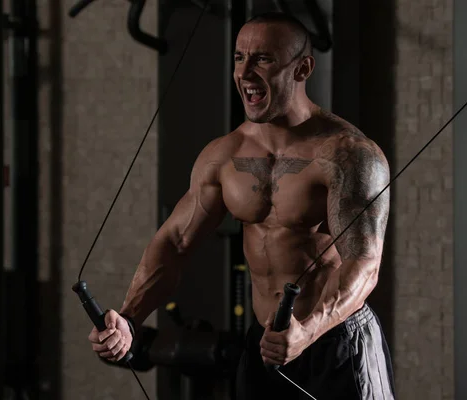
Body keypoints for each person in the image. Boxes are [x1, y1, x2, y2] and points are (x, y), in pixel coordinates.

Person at [88, 11, 395, 400]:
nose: (245, 72)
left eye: (263, 59)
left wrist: (309, 330)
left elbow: (364, 264)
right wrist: (130, 318)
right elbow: (175, 243)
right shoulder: (224, 155)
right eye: (239, 57)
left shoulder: (348, 154)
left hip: (336, 343)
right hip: (264, 345)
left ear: (303, 68)